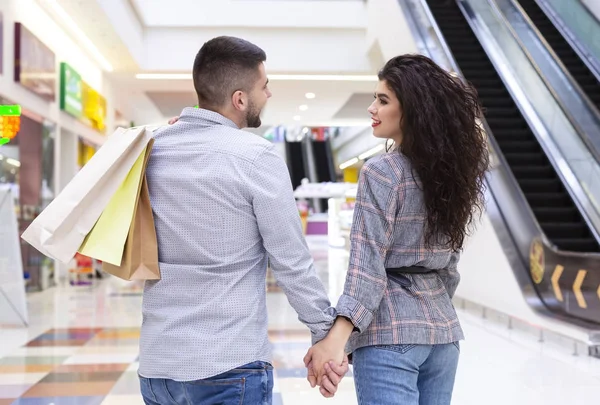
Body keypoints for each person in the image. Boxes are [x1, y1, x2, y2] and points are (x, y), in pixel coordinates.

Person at [138, 36, 347, 405]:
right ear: (239, 99)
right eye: (263, 86)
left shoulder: (152, 148)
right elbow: (290, 261)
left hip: (157, 368)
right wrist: (323, 333)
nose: (268, 94)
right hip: (227, 366)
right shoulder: (255, 157)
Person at [304, 54, 489, 404]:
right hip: (443, 335)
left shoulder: (382, 171)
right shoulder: (451, 177)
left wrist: (335, 340)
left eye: (383, 100)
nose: (372, 108)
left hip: (390, 335)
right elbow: (450, 267)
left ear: (413, 110)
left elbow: (367, 270)